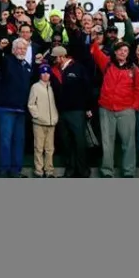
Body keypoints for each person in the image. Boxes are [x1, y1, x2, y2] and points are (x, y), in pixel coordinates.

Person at [90, 38, 139, 178]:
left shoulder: (134, 68)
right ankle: (107, 171)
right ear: (115, 52)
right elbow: (95, 53)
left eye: (125, 50)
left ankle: (128, 171)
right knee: (107, 142)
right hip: (106, 108)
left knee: (129, 143)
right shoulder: (107, 64)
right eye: (120, 50)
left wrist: (134, 107)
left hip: (126, 110)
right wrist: (95, 39)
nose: (123, 52)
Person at [0, 37, 36, 178]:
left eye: (24, 48)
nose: (21, 50)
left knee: (19, 141)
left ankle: (16, 170)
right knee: (5, 140)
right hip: (6, 109)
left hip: (21, 110)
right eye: (19, 48)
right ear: (13, 49)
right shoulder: (6, 61)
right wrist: (2, 47)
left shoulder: (27, 66)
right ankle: (4, 169)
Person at [50, 45, 92, 178]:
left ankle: (83, 170)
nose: (53, 60)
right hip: (61, 112)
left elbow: (87, 87)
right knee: (66, 142)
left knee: (79, 142)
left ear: (61, 57)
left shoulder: (78, 68)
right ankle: (70, 169)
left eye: (55, 57)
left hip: (77, 111)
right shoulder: (54, 70)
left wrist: (88, 107)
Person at [28, 63, 59, 178]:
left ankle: (49, 170)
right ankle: (39, 170)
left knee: (50, 148)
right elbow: (31, 104)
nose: (45, 75)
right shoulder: (35, 87)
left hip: (51, 123)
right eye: (43, 73)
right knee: (39, 147)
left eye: (47, 73)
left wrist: (55, 117)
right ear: (40, 74)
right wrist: (37, 116)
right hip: (39, 123)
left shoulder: (52, 87)